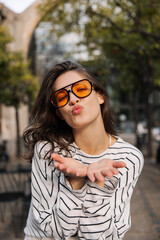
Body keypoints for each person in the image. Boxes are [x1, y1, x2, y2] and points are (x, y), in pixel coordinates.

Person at [23, 61, 144, 240]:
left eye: (80, 89)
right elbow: (54, 232)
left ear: (100, 96)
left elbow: (107, 236)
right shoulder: (48, 151)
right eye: (62, 98)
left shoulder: (129, 158)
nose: (73, 99)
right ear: (60, 113)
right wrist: (76, 181)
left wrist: (97, 183)